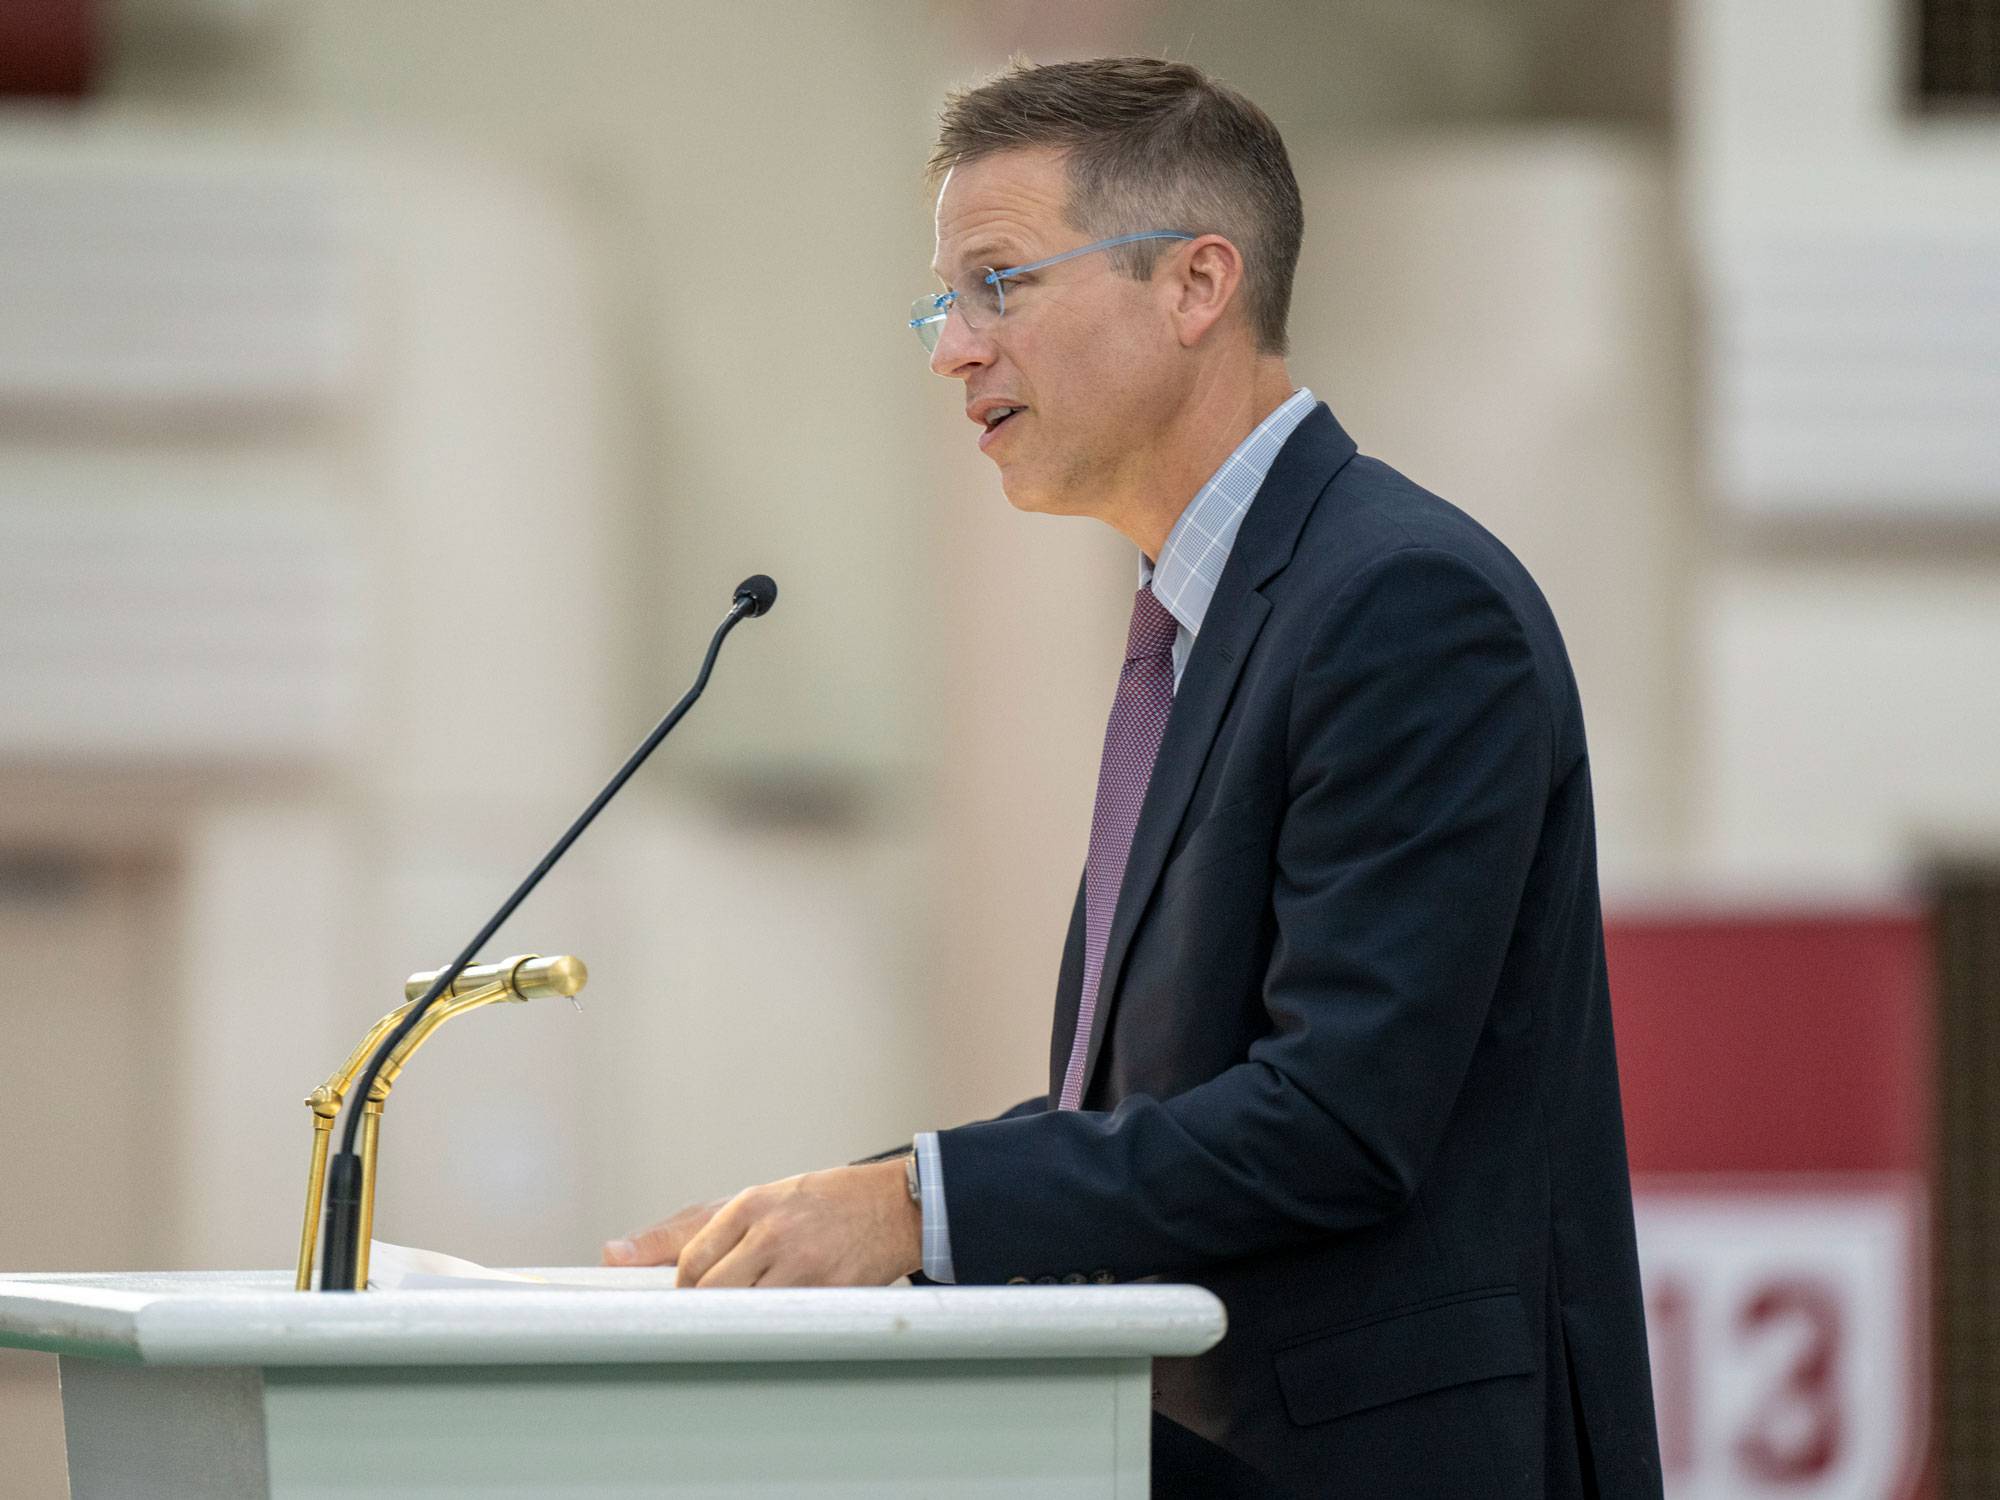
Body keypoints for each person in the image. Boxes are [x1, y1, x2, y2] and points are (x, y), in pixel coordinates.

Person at [606, 56, 1663, 1499]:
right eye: (945, 302)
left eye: (998, 283)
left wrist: (913, 1211)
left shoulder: (1406, 604)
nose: (952, 350)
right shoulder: (1212, 619)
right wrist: (821, 1216)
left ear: (1195, 284)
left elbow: (1337, 1122)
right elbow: (1156, 1111)